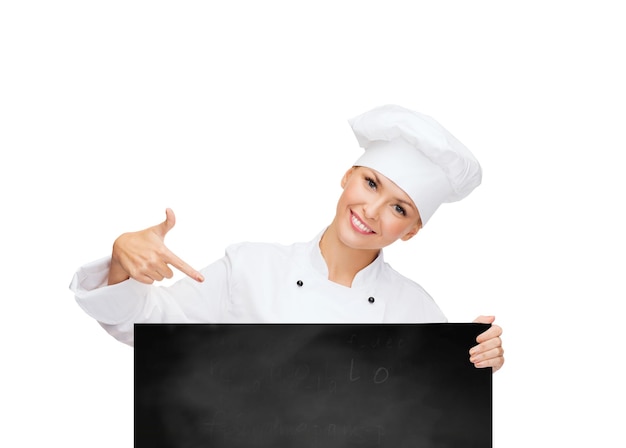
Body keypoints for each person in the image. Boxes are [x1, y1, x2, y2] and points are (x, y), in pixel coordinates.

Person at [70, 104, 504, 372]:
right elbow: (144, 331)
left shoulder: (417, 310)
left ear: (411, 230)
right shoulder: (251, 268)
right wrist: (121, 263)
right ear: (347, 177)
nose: (372, 211)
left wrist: (471, 364)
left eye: (399, 207)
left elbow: (429, 420)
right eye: (371, 183)